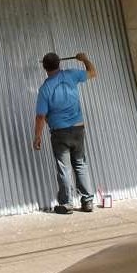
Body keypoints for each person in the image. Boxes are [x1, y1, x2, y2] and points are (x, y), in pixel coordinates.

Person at [33, 51, 97, 214]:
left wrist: (37, 136)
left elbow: (41, 116)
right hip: (78, 129)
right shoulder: (72, 75)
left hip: (59, 132)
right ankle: (88, 201)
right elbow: (93, 72)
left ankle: (67, 203)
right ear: (59, 64)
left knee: (64, 168)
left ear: (44, 68)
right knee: (80, 164)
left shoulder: (45, 89)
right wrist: (85, 59)